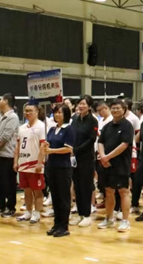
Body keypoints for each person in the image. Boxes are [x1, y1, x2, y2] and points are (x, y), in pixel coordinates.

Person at [97, 100, 134, 232]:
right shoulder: (107, 126)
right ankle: (109, 218)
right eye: (113, 108)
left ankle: (125, 221)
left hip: (121, 164)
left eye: (118, 108)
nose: (115, 110)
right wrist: (103, 156)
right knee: (108, 192)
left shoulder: (127, 125)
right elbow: (100, 142)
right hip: (106, 164)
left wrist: (108, 157)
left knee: (123, 192)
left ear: (124, 110)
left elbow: (124, 144)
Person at [43, 105, 75, 237]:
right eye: (55, 112)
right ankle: (56, 224)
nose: (57, 115)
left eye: (60, 112)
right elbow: (48, 144)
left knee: (63, 197)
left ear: (66, 114)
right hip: (52, 166)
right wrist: (46, 147)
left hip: (63, 167)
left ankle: (64, 226)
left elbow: (69, 149)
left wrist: (52, 151)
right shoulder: (52, 129)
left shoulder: (69, 129)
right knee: (55, 197)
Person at [14, 100, 46, 224]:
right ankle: (28, 211)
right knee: (26, 190)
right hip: (23, 163)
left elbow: (43, 146)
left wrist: (40, 162)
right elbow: (17, 146)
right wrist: (16, 161)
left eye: (30, 111)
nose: (28, 113)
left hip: (34, 164)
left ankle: (36, 213)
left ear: (37, 112)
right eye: (26, 111)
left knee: (37, 190)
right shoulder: (21, 128)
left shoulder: (41, 126)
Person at [70, 95, 98, 228]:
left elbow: (91, 140)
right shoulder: (75, 119)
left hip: (86, 158)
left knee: (85, 186)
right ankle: (80, 214)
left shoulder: (93, 120)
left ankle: (87, 215)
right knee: (77, 186)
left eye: (84, 104)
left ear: (89, 106)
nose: (81, 106)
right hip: (74, 158)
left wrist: (76, 150)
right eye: (79, 104)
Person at [0, 93, 19, 216]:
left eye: (0, 99)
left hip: (8, 155)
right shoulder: (1, 117)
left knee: (9, 183)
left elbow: (5, 135)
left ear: (6, 101)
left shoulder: (12, 117)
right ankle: (1, 205)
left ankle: (10, 207)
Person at [95, 101, 111, 209]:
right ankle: (105, 200)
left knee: (109, 181)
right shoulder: (101, 120)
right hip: (99, 152)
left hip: (107, 153)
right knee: (102, 179)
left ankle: (112, 204)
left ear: (105, 108)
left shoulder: (110, 120)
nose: (99, 113)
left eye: (100, 110)